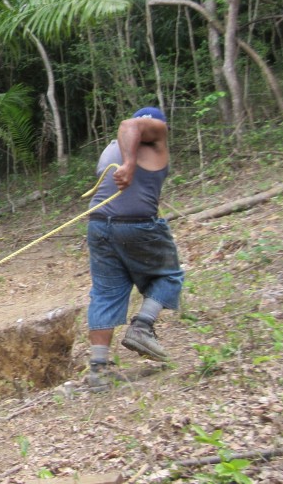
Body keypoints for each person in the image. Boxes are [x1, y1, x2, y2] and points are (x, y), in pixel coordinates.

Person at [85, 107, 185, 390]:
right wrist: (130, 163)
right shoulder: (152, 133)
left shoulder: (109, 150)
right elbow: (131, 123)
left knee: (105, 293)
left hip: (99, 225)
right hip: (136, 225)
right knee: (169, 275)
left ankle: (98, 370)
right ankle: (142, 327)